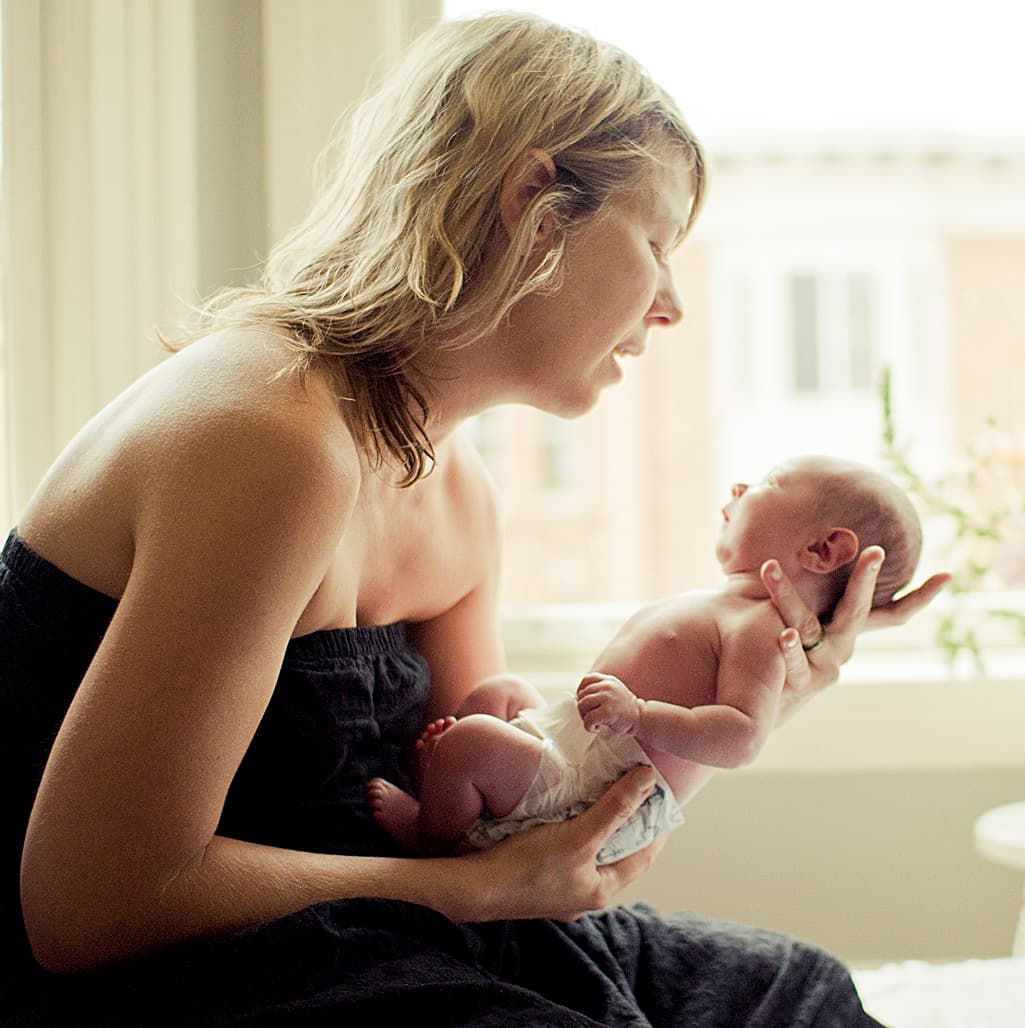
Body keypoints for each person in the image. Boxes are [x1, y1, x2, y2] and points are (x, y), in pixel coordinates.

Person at [1, 11, 947, 1025]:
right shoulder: (269, 435)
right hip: (169, 966)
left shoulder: (461, 494)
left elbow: (523, 845)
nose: (670, 304)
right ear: (533, 204)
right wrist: (471, 893)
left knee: (794, 995)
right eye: (656, 242)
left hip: (382, 924)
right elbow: (91, 905)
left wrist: (774, 676)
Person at [367, 454, 923, 861]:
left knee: (472, 741)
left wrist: (639, 714)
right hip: (579, 748)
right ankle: (456, 790)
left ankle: (434, 836)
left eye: (771, 481)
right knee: (499, 693)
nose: (740, 483)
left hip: (598, 791)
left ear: (823, 550)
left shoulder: (762, 630)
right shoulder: (727, 603)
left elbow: (742, 737)